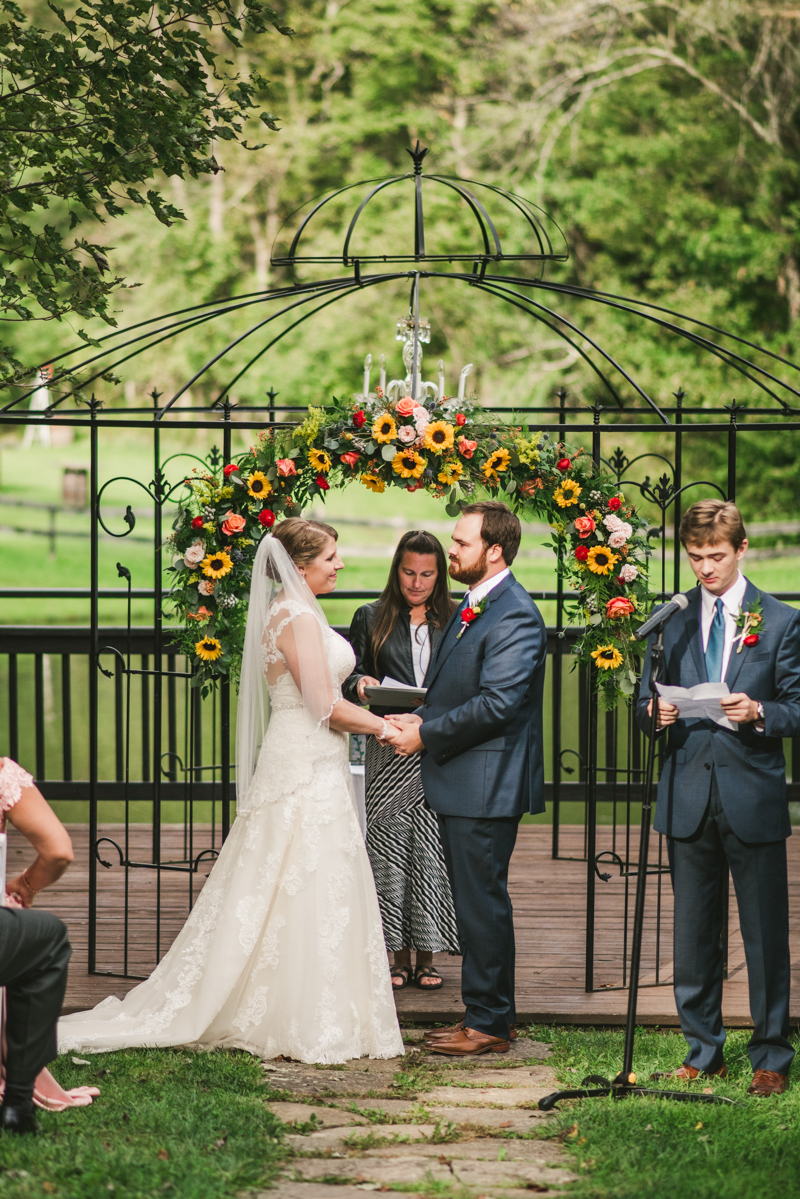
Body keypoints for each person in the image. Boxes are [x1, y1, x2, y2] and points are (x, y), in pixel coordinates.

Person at [59, 518, 405, 1064]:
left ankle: (309, 1002)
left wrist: (370, 696)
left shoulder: (296, 612)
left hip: (311, 756)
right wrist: (388, 727)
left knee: (298, 876)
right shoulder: (294, 616)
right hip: (303, 760)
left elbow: (325, 690)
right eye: (331, 557)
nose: (340, 565)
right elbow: (322, 706)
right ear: (300, 565)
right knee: (297, 873)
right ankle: (296, 1013)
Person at [637, 499, 800, 1097]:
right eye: (695, 556)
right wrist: (654, 712)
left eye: (716, 556)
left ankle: (771, 1055)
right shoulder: (672, 618)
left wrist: (759, 711)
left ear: (742, 550)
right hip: (686, 791)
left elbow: (797, 707)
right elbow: (642, 701)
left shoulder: (779, 620)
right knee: (693, 933)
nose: (704, 568)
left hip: (750, 795)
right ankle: (704, 1051)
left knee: (764, 935)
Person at [388, 501, 547, 1057]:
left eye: (460, 543)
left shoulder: (516, 613)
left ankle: (490, 1023)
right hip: (466, 779)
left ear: (494, 550)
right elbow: (456, 688)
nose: (450, 550)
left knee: (482, 903)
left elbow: (499, 703)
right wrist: (422, 717)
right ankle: (483, 1015)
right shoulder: (477, 604)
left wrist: (426, 736)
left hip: (487, 782)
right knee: (475, 901)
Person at [344, 530, 459, 991]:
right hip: (388, 741)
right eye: (409, 572)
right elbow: (348, 673)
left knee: (431, 849)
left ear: (440, 574)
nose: (416, 582)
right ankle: (391, 953)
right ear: (396, 570)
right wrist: (361, 685)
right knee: (387, 848)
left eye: (427, 574)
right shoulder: (371, 616)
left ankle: (428, 956)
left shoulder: (455, 618)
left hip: (434, 741)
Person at [0, 758, 82, 1132]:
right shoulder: (2, 774)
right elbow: (58, 851)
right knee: (47, 937)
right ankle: (18, 1102)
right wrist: (25, 886)